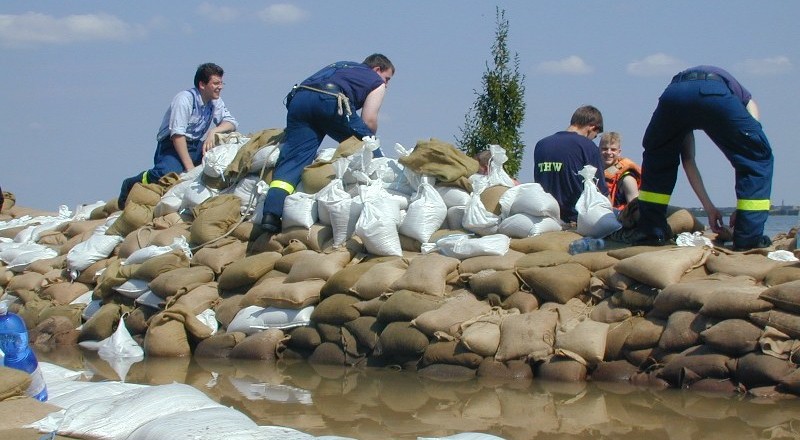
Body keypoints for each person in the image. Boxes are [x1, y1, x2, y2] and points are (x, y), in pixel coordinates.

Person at [634, 65, 773, 250]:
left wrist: (709, 208)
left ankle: (651, 232)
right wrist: (743, 211)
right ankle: (748, 238)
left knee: (658, 159)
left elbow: (688, 160)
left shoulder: (684, 104)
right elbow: (751, 109)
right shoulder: (739, 95)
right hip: (713, 91)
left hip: (673, 95)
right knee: (757, 158)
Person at [260, 54, 395, 233]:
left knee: (293, 161)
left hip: (299, 100)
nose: (386, 84)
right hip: (330, 101)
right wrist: (370, 142)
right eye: (387, 78)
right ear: (377, 69)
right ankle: (381, 202)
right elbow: (369, 120)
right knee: (368, 149)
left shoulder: (341, 65)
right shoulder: (374, 80)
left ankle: (271, 215)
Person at [118, 63, 238, 208]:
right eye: (216, 83)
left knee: (220, 160)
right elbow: (177, 135)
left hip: (195, 144)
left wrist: (213, 131)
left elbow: (231, 122)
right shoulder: (184, 100)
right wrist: (189, 169)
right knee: (167, 174)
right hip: (172, 146)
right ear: (202, 84)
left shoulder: (215, 101)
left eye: (221, 83)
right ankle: (132, 183)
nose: (220, 87)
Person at [533, 105, 608, 223]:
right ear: (592, 127)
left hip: (545, 217)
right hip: (575, 219)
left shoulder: (541, 145)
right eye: (595, 135)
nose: (593, 139)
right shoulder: (588, 146)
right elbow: (601, 191)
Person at [600, 132, 640, 210]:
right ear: (598, 150)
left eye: (613, 149)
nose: (608, 152)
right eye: (604, 149)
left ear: (619, 152)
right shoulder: (593, 173)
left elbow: (635, 210)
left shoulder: (627, 179)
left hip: (620, 220)